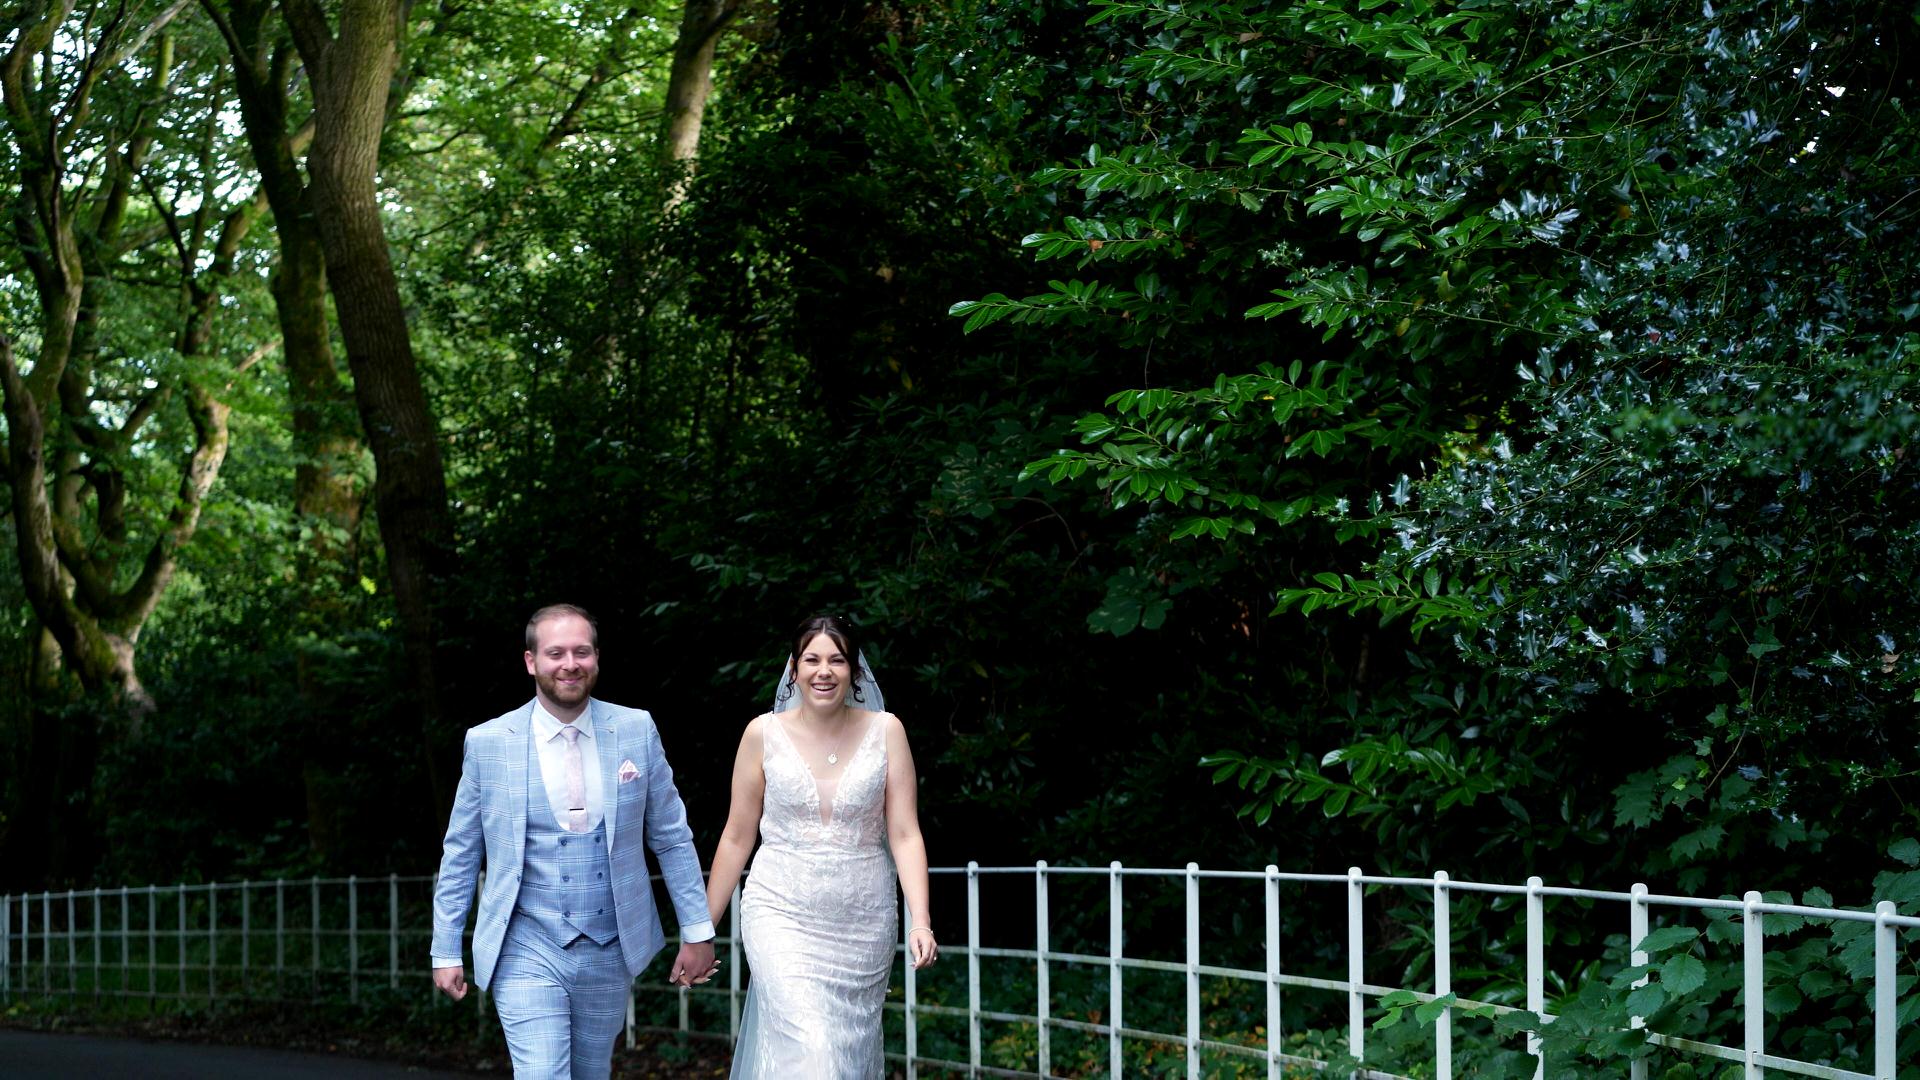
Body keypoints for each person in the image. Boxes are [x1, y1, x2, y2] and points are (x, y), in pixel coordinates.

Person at [430, 604, 719, 1079]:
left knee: (590, 1073)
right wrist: (445, 948)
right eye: (556, 653)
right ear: (531, 662)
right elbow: (462, 853)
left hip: (609, 943)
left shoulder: (635, 730)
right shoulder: (487, 742)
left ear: (597, 658)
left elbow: (671, 837)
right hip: (522, 944)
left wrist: (697, 930)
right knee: (543, 1072)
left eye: (581, 652)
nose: (570, 663)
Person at [704, 614, 937, 1078]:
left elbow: (905, 832)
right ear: (794, 669)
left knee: (844, 1055)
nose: (823, 670)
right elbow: (736, 835)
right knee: (814, 1048)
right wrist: (701, 928)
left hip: (863, 923)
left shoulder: (887, 731)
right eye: (812, 659)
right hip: (780, 913)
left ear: (854, 670)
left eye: (836, 660)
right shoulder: (761, 734)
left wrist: (921, 920)